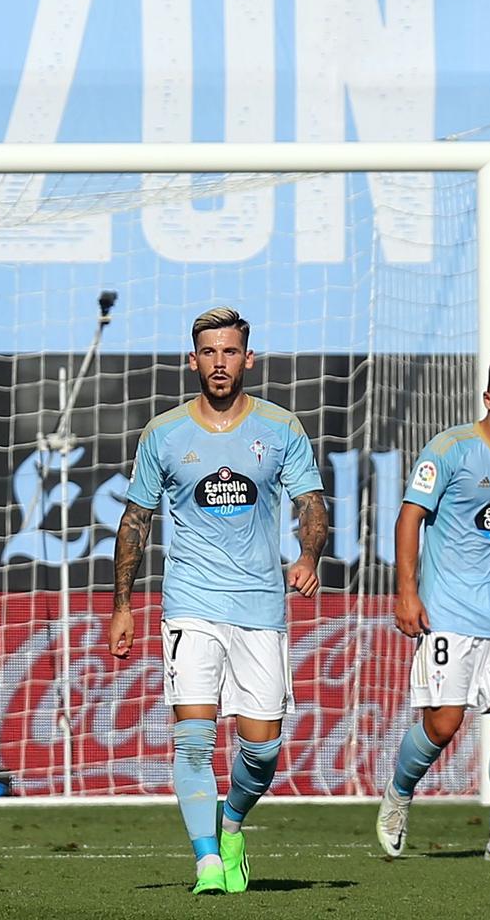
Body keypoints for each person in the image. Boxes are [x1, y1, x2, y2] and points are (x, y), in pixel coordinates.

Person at [108, 307, 327, 895]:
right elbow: (135, 522)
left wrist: (307, 557)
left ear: (247, 358)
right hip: (190, 603)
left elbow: (311, 505)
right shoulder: (164, 433)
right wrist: (123, 606)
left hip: (259, 606)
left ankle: (230, 825)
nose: (220, 363)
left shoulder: (282, 428)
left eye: (230, 352)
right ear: (193, 360)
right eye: (209, 352)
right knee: (194, 738)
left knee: (262, 748)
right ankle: (207, 860)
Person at [377, 353, 490, 863]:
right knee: (443, 724)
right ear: (488, 399)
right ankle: (398, 792)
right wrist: (407, 592)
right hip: (450, 611)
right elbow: (410, 517)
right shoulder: (450, 450)